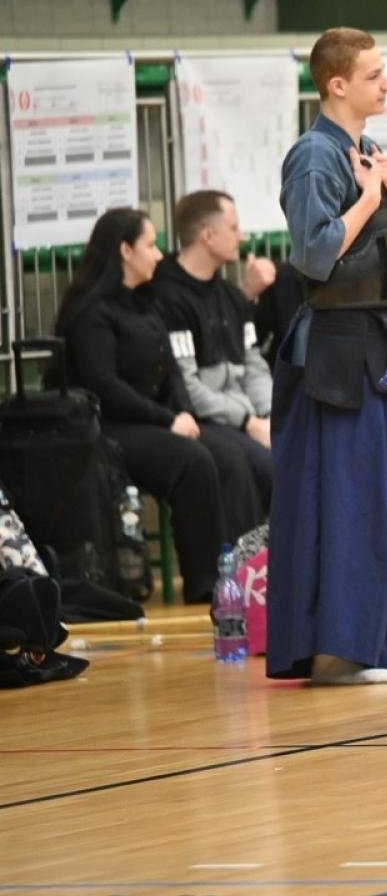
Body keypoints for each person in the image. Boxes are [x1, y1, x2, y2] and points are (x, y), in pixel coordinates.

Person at [265, 27, 387, 685]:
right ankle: (340, 653)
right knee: (350, 505)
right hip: (335, 360)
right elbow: (314, 256)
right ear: (337, 84)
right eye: (373, 74)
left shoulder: (366, 150)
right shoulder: (314, 157)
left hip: (380, 351)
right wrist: (369, 199)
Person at [55, 208, 263, 603]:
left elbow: (171, 373)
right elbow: (105, 386)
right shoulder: (92, 313)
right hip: (109, 428)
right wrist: (168, 420)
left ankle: (246, 574)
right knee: (193, 461)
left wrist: (183, 412)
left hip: (154, 420)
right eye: (150, 245)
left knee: (229, 457)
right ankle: (206, 584)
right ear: (125, 250)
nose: (158, 255)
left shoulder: (144, 302)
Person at [149, 190, 274, 514]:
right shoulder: (167, 296)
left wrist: (269, 415)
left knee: (299, 456)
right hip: (204, 418)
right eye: (233, 228)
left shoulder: (231, 296)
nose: (241, 237)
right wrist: (248, 421)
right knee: (263, 468)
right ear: (207, 235)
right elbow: (188, 387)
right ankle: (252, 548)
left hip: (246, 417)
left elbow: (254, 364)